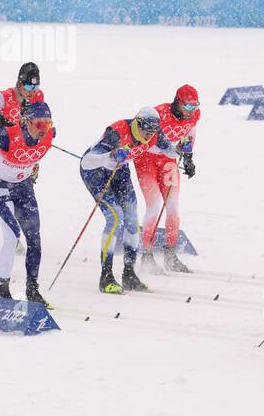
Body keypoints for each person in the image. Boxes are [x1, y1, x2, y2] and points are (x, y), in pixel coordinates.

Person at [0, 100, 56, 305]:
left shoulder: (51, 134)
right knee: (12, 236)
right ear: (26, 122)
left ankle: (32, 290)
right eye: (39, 124)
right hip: (0, 187)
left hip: (23, 188)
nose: (44, 129)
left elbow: (41, 148)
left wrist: (34, 164)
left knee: (35, 240)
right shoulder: (7, 136)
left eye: (48, 124)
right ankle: (3, 289)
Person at [80, 106, 166, 294]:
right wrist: (110, 155)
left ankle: (129, 275)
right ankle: (106, 277)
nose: (148, 137)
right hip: (96, 173)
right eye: (146, 131)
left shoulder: (153, 133)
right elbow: (86, 161)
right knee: (115, 218)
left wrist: (184, 150)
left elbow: (172, 151)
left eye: (153, 133)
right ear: (137, 124)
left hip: (119, 171)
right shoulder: (117, 132)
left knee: (132, 220)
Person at [135, 84, 200, 274]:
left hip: (168, 161)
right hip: (145, 160)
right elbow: (138, 132)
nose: (191, 111)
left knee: (173, 207)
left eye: (195, 106)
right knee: (154, 206)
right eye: (188, 106)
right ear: (178, 102)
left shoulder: (194, 116)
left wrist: (188, 158)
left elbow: (190, 132)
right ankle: (146, 256)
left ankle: (170, 256)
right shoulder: (159, 114)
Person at [0, 62, 44, 254]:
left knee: (19, 195)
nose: (32, 91)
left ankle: (13, 234)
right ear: (19, 83)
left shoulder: (38, 97)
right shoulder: (1, 98)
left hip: (23, 153)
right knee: (0, 194)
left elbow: (41, 125)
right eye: (28, 86)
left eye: (36, 86)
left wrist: (36, 161)